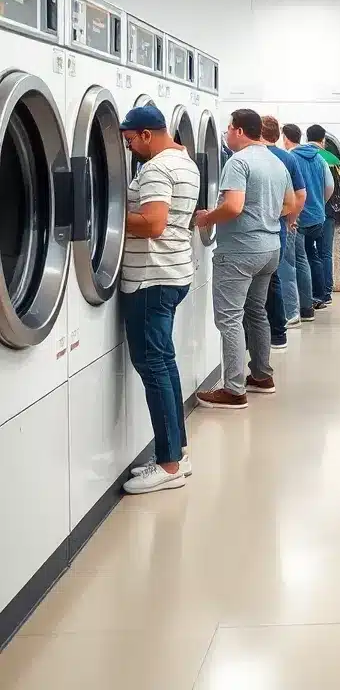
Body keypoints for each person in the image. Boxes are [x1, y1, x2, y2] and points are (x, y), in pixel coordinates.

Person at [118, 105, 201, 494]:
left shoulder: (154, 169)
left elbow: (153, 224)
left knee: (153, 367)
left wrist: (107, 216)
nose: (130, 147)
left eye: (131, 140)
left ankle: (168, 465)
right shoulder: (185, 162)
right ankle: (176, 454)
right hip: (174, 272)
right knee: (164, 364)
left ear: (147, 135)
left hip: (151, 279)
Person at [196, 109, 293, 408]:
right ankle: (262, 376)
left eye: (228, 129)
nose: (226, 133)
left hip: (239, 252)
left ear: (239, 131)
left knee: (230, 319)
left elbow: (234, 206)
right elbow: (290, 204)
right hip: (270, 249)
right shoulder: (276, 162)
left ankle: (234, 389)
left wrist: (207, 217)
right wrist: (263, 217)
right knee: (256, 312)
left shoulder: (238, 162)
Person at [261, 115, 307, 350]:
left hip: (255, 231)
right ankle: (278, 333)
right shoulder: (287, 158)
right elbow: (301, 195)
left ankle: (262, 335)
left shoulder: (253, 157)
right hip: (279, 225)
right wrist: (290, 219)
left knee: (260, 283)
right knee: (275, 278)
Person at [282, 124, 333, 318]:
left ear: (286, 138)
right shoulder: (319, 158)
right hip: (318, 216)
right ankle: (319, 296)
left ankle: (301, 304)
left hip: (300, 216)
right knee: (314, 255)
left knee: (298, 260)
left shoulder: (291, 157)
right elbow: (330, 186)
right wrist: (320, 203)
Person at [308, 124, 340, 294]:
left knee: (310, 250)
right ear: (323, 140)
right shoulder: (335, 161)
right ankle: (334, 283)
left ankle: (314, 285)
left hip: (308, 212)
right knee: (331, 249)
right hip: (334, 211)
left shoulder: (304, 157)